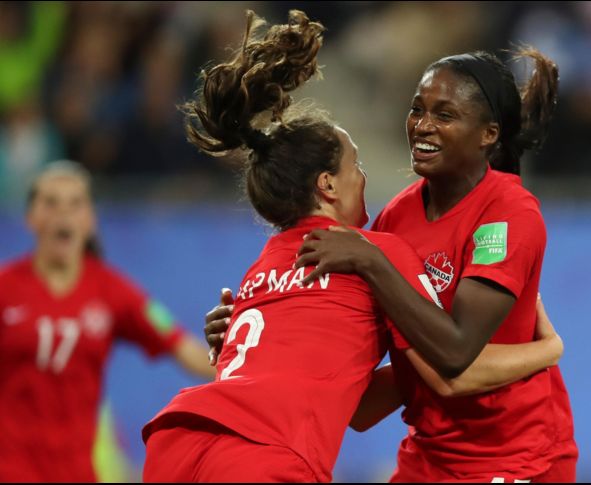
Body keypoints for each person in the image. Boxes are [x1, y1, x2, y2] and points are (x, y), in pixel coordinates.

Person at [144, 10, 564, 483]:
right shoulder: (387, 230)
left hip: (510, 454)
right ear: (327, 185)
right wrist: (550, 348)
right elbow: (392, 389)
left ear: (489, 134)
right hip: (418, 453)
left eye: (444, 114)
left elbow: (451, 363)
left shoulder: (506, 211)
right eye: (416, 108)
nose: (422, 125)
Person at [0, 161, 215, 482]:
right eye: (51, 202)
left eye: (75, 203)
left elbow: (182, 346)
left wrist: (247, 375)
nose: (63, 214)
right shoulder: (6, 288)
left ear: (89, 220)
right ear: (31, 218)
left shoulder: (112, 291)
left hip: (77, 472)